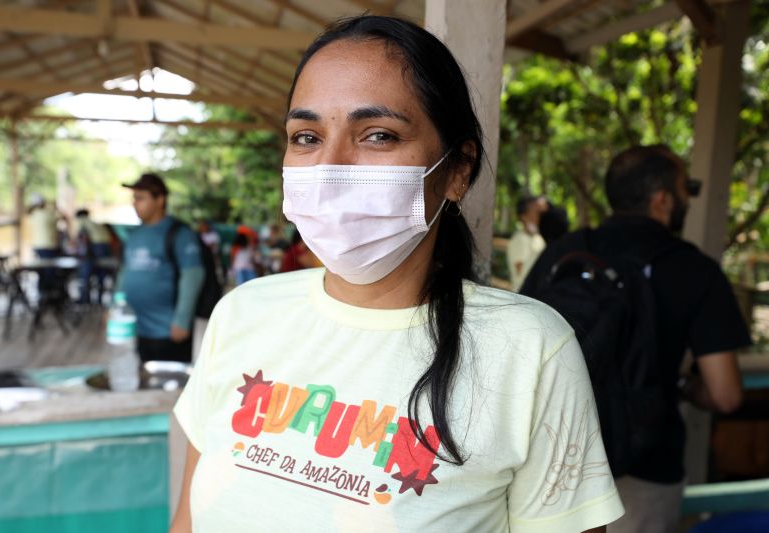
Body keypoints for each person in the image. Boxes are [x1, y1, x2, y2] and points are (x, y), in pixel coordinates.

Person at [170, 16, 622, 533]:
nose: (331, 168)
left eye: (379, 135)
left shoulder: (529, 349)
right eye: (307, 136)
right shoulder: (243, 312)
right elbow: (187, 519)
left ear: (456, 171)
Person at [521, 144, 751, 533]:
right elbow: (725, 394)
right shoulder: (695, 271)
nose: (687, 198)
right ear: (662, 199)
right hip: (647, 468)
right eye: (685, 188)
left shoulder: (565, 251)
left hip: (552, 464)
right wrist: (682, 385)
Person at [118, 173, 205, 363]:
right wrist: (113, 306)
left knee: (171, 386)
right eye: (134, 198)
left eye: (141, 198)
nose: (135, 203)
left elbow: (193, 275)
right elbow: (125, 271)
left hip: (170, 331)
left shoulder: (179, 233)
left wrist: (182, 320)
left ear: (160, 200)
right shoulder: (135, 234)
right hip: (139, 330)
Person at [507, 195, 546, 291]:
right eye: (535, 211)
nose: (539, 215)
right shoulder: (519, 239)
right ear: (523, 216)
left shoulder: (539, 238)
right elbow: (523, 274)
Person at [74, 208, 113, 304]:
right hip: (106, 246)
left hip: (97, 246)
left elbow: (83, 239)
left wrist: (82, 255)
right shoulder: (92, 222)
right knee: (101, 271)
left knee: (85, 271)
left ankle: (84, 298)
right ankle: (99, 299)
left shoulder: (82, 221)